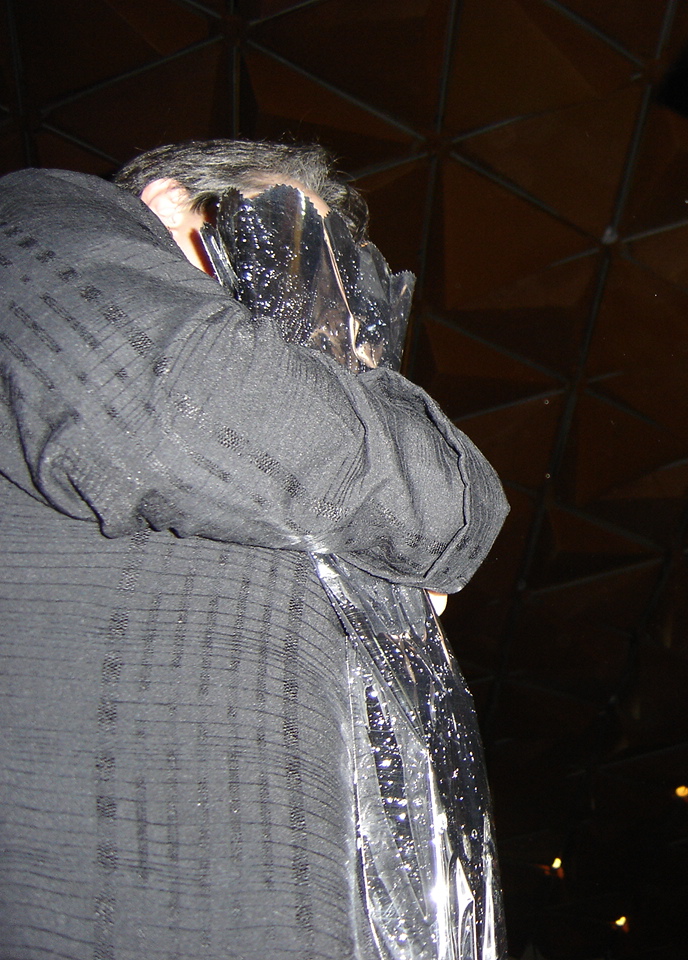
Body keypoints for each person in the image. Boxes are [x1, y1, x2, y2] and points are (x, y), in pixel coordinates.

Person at [0, 141, 509, 959]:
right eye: (284, 244)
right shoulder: (39, 219)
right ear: (171, 202)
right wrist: (418, 502)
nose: (324, 304)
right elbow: (184, 399)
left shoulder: (304, 486)